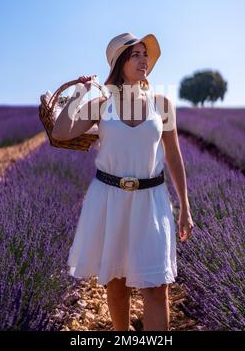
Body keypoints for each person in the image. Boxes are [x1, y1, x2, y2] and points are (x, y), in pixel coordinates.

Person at [51, 32, 194, 331]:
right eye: (135, 55)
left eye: (145, 54)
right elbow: (61, 132)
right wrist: (80, 93)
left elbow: (174, 156)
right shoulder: (103, 105)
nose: (144, 60)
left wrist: (185, 208)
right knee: (116, 285)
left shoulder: (162, 104)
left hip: (151, 200)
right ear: (119, 63)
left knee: (156, 286)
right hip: (109, 198)